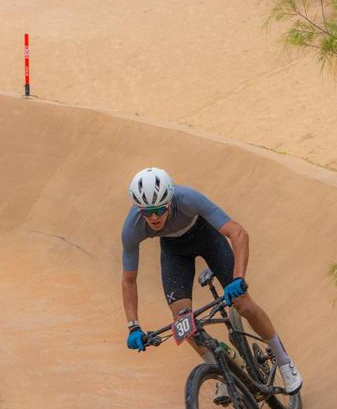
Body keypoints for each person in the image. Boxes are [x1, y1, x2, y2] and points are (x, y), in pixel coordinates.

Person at [121, 167, 302, 394]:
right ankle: (222, 370)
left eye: (159, 209)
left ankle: (284, 361)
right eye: (147, 212)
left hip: (207, 238)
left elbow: (238, 232)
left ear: (169, 201)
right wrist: (133, 326)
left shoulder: (187, 198)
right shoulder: (132, 228)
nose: (154, 217)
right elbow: (129, 280)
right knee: (182, 324)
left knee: (244, 304)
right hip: (174, 253)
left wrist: (238, 278)